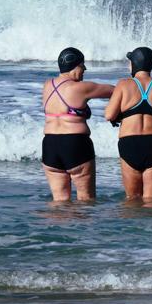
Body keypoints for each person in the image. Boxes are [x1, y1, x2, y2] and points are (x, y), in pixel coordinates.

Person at [105, 47, 152, 201]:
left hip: (129, 143)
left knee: (132, 199)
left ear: (133, 64)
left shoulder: (123, 85)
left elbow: (109, 115)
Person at [42, 47, 114, 201]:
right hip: (75, 144)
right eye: (82, 65)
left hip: (50, 146)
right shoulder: (80, 88)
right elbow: (115, 91)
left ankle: (59, 226)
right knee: (86, 200)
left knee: (60, 202)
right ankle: (81, 226)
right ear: (74, 66)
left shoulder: (47, 86)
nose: (84, 69)